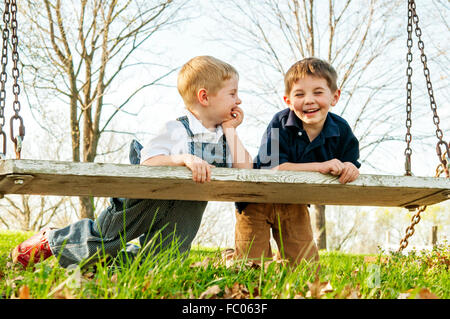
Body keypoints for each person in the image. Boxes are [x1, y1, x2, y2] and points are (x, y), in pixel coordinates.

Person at [12, 55, 252, 269]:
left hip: (183, 214)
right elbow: (148, 162)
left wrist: (231, 132)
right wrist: (182, 159)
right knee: (105, 239)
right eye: (232, 93)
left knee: (163, 263)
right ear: (204, 97)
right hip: (144, 201)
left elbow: (246, 171)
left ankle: (106, 265)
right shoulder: (177, 129)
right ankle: (52, 240)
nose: (238, 100)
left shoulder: (223, 138)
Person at [234, 57, 361, 266]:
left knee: (305, 267)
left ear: (334, 97)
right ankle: (233, 257)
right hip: (256, 197)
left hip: (295, 200)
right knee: (250, 266)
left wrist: (349, 167)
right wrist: (321, 166)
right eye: (300, 94)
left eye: (318, 92)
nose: (309, 100)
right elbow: (272, 167)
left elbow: (351, 162)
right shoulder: (280, 123)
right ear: (288, 101)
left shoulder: (341, 129)